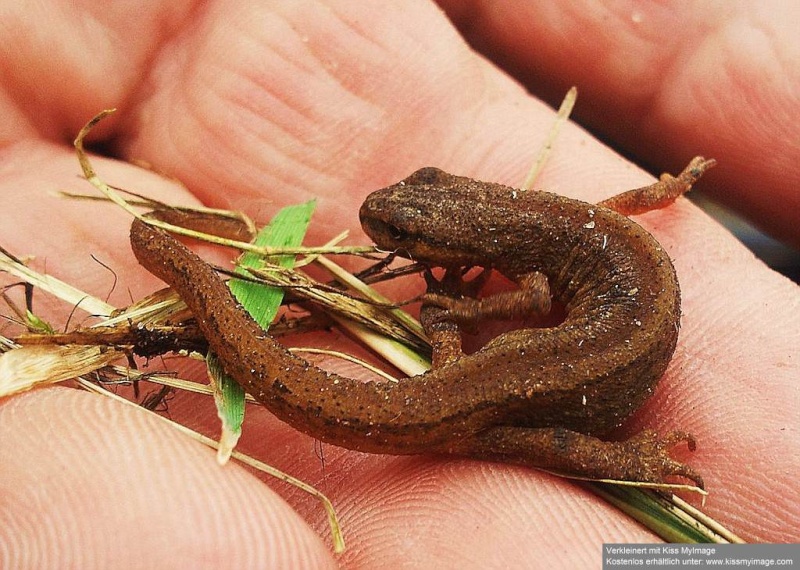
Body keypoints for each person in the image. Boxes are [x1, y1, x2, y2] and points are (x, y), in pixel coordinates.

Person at [1, 2, 797, 567]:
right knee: (500, 375)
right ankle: (452, 349)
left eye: (408, 238)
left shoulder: (550, 251)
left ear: (477, 227)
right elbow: (601, 234)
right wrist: (663, 193)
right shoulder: (558, 220)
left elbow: (539, 298)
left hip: (551, 395)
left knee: (550, 440)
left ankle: (635, 459)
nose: (385, 224)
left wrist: (464, 313)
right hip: (509, 375)